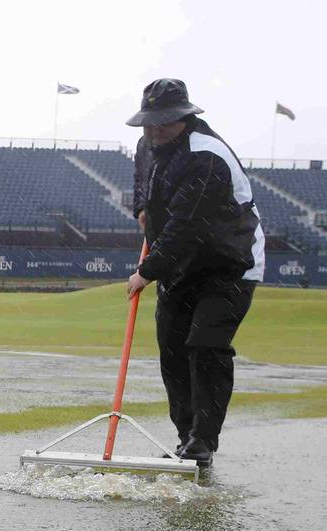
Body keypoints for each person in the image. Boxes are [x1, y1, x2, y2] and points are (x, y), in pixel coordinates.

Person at [124, 78, 264, 468]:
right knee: (172, 350)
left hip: (229, 264)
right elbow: (142, 180)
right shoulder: (148, 144)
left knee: (205, 346)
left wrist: (146, 272)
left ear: (184, 117)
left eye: (163, 122)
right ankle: (186, 438)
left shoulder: (206, 156)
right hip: (181, 266)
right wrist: (141, 208)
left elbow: (187, 226)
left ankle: (203, 443)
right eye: (150, 122)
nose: (154, 130)